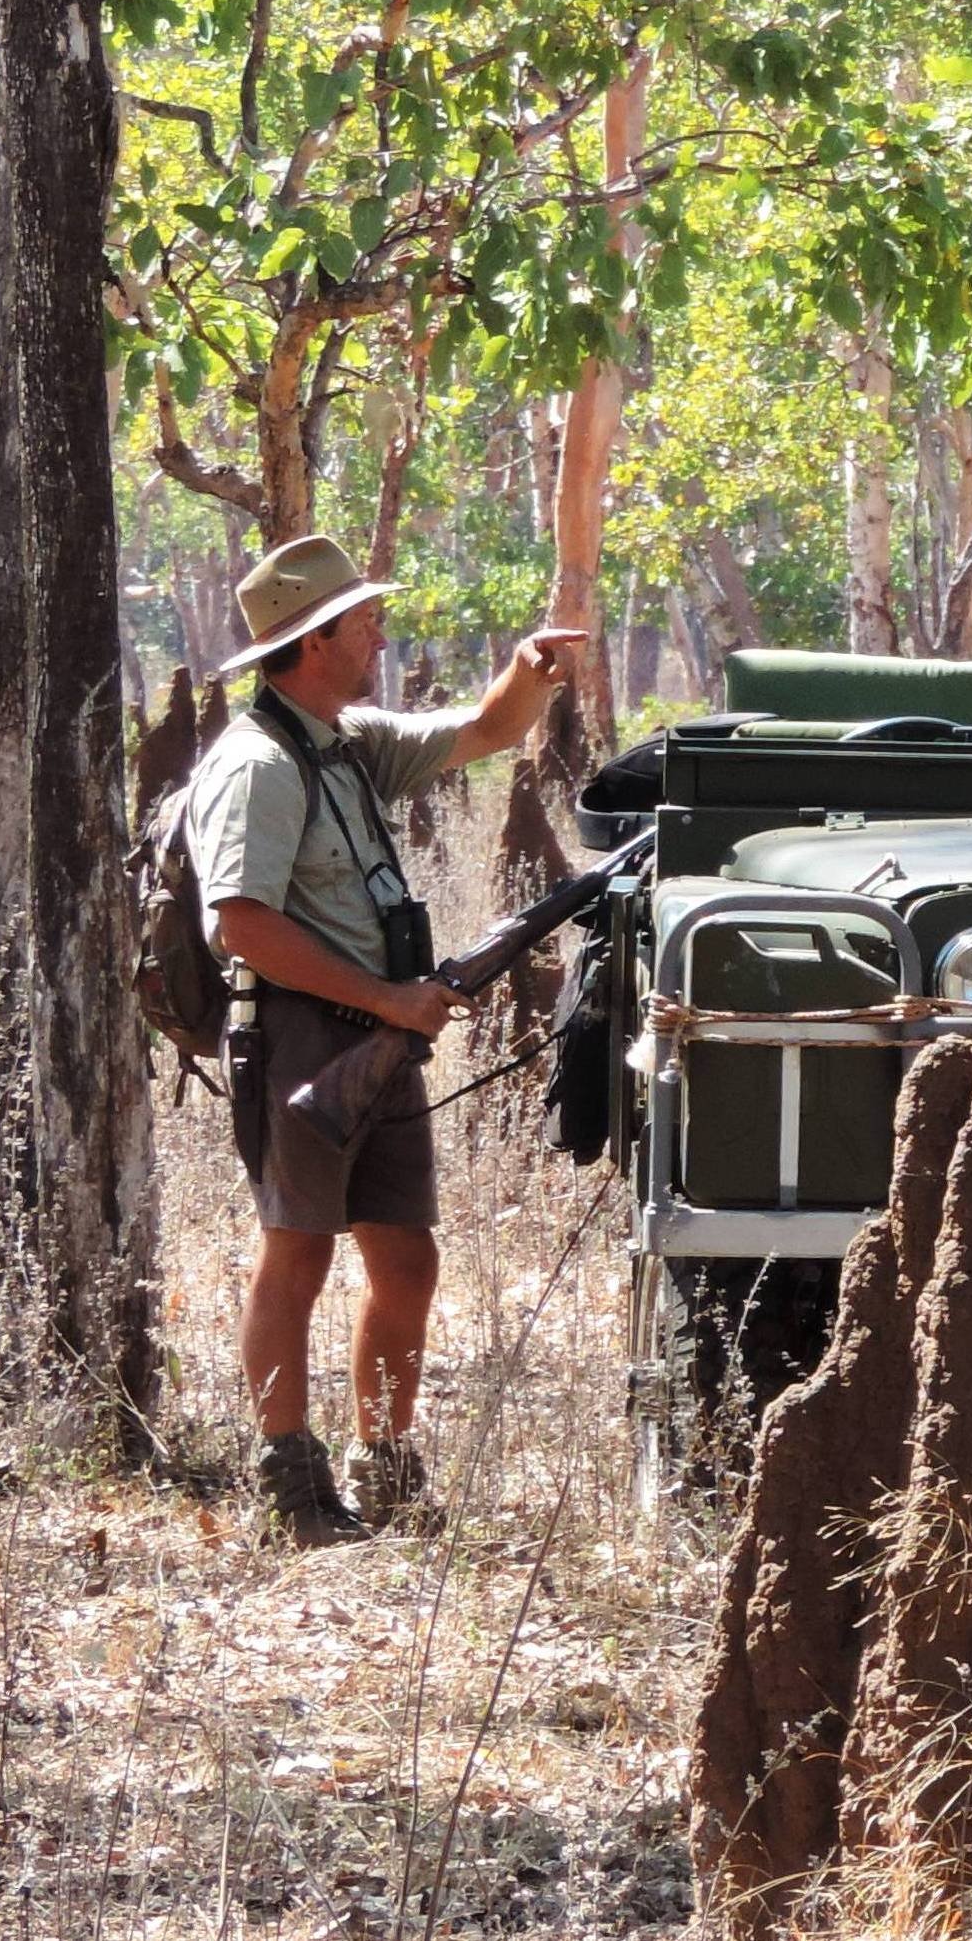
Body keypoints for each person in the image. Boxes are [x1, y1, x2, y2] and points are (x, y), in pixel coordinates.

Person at [183, 533, 583, 1546]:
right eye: (364, 621)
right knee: (298, 1258)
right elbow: (242, 924)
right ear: (315, 641)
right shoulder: (258, 766)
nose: (379, 633)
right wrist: (382, 996)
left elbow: (486, 731)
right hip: (303, 1034)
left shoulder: (349, 740)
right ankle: (293, 1486)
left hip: (381, 1037)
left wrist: (528, 673)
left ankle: (388, 1467)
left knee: (406, 1258)